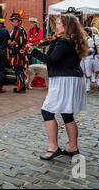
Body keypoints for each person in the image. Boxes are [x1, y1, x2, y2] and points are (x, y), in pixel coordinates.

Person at [26, 14, 89, 160]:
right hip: (72, 77)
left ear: (66, 26)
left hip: (64, 79)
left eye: (59, 23)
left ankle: (53, 147)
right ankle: (73, 147)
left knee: (47, 111)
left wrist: (33, 51)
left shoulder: (64, 41)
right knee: (67, 114)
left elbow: (51, 60)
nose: (57, 26)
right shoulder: (72, 39)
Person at [9, 11, 29, 93]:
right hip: (16, 53)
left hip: (19, 54)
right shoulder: (16, 29)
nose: (12, 22)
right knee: (18, 70)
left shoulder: (20, 30)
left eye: (13, 20)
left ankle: (20, 88)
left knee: (19, 70)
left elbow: (18, 41)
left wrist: (9, 43)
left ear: (18, 21)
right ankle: (20, 86)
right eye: (12, 20)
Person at [81, 27, 95, 92]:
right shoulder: (81, 39)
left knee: (88, 71)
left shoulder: (90, 39)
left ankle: (88, 86)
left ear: (88, 32)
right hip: (82, 56)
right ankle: (83, 85)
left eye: (84, 32)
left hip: (88, 57)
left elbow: (92, 48)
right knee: (82, 70)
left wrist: (85, 50)